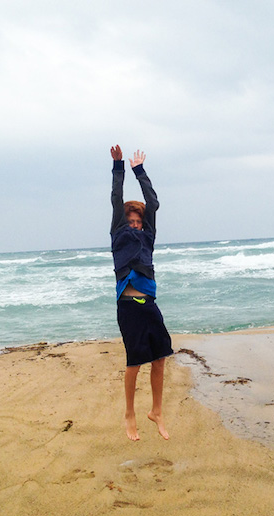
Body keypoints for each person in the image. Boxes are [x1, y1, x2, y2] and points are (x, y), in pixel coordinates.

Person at [109, 144, 173, 441]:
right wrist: (119, 168)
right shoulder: (118, 232)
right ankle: (130, 413)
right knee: (134, 362)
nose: (135, 225)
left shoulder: (148, 234)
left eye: (138, 221)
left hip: (147, 301)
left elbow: (153, 203)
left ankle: (156, 411)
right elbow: (116, 199)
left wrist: (140, 170)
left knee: (160, 356)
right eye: (131, 221)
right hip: (127, 303)